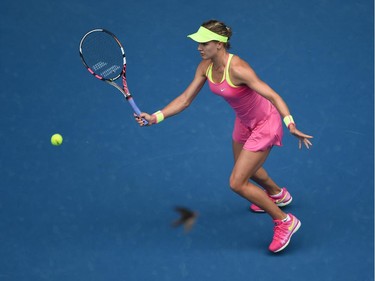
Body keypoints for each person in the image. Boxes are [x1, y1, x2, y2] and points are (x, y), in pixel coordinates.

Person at [134, 19, 313, 253]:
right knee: (250, 169)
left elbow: (273, 95)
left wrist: (289, 124)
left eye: (203, 43)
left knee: (237, 182)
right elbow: (185, 99)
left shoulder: (238, 68)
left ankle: (284, 221)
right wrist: (155, 116)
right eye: (198, 43)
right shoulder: (205, 67)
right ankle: (278, 194)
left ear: (219, 44)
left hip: (265, 123)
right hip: (244, 122)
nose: (198, 47)